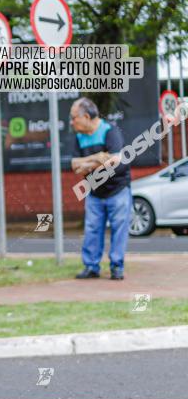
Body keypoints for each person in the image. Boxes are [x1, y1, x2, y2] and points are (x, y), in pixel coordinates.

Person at [69, 97, 131, 280]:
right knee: (92, 230)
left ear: (86, 116)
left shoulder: (109, 131)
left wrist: (87, 165)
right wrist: (98, 157)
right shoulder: (78, 137)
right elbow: (74, 165)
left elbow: (115, 163)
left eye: (74, 118)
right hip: (94, 192)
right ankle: (91, 267)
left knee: (119, 229)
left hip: (117, 190)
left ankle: (117, 267)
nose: (72, 122)